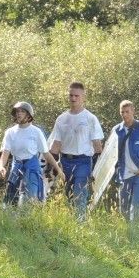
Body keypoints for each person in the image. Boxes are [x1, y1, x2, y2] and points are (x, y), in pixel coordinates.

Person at [50, 82, 104, 220]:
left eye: (76, 96)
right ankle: (72, 223)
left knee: (79, 193)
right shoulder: (61, 118)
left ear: (83, 97)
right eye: (71, 95)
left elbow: (97, 145)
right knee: (68, 195)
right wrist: (50, 165)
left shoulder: (90, 118)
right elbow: (56, 144)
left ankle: (81, 224)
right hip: (65, 161)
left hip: (83, 161)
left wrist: (97, 166)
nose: (73, 98)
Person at [0, 102, 62, 205]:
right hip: (16, 167)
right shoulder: (10, 132)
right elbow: (5, 152)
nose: (19, 114)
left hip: (32, 168)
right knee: (10, 203)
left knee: (27, 201)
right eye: (17, 111)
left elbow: (46, 154)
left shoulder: (36, 132)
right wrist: (1, 166)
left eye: (22, 111)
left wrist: (58, 169)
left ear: (29, 115)